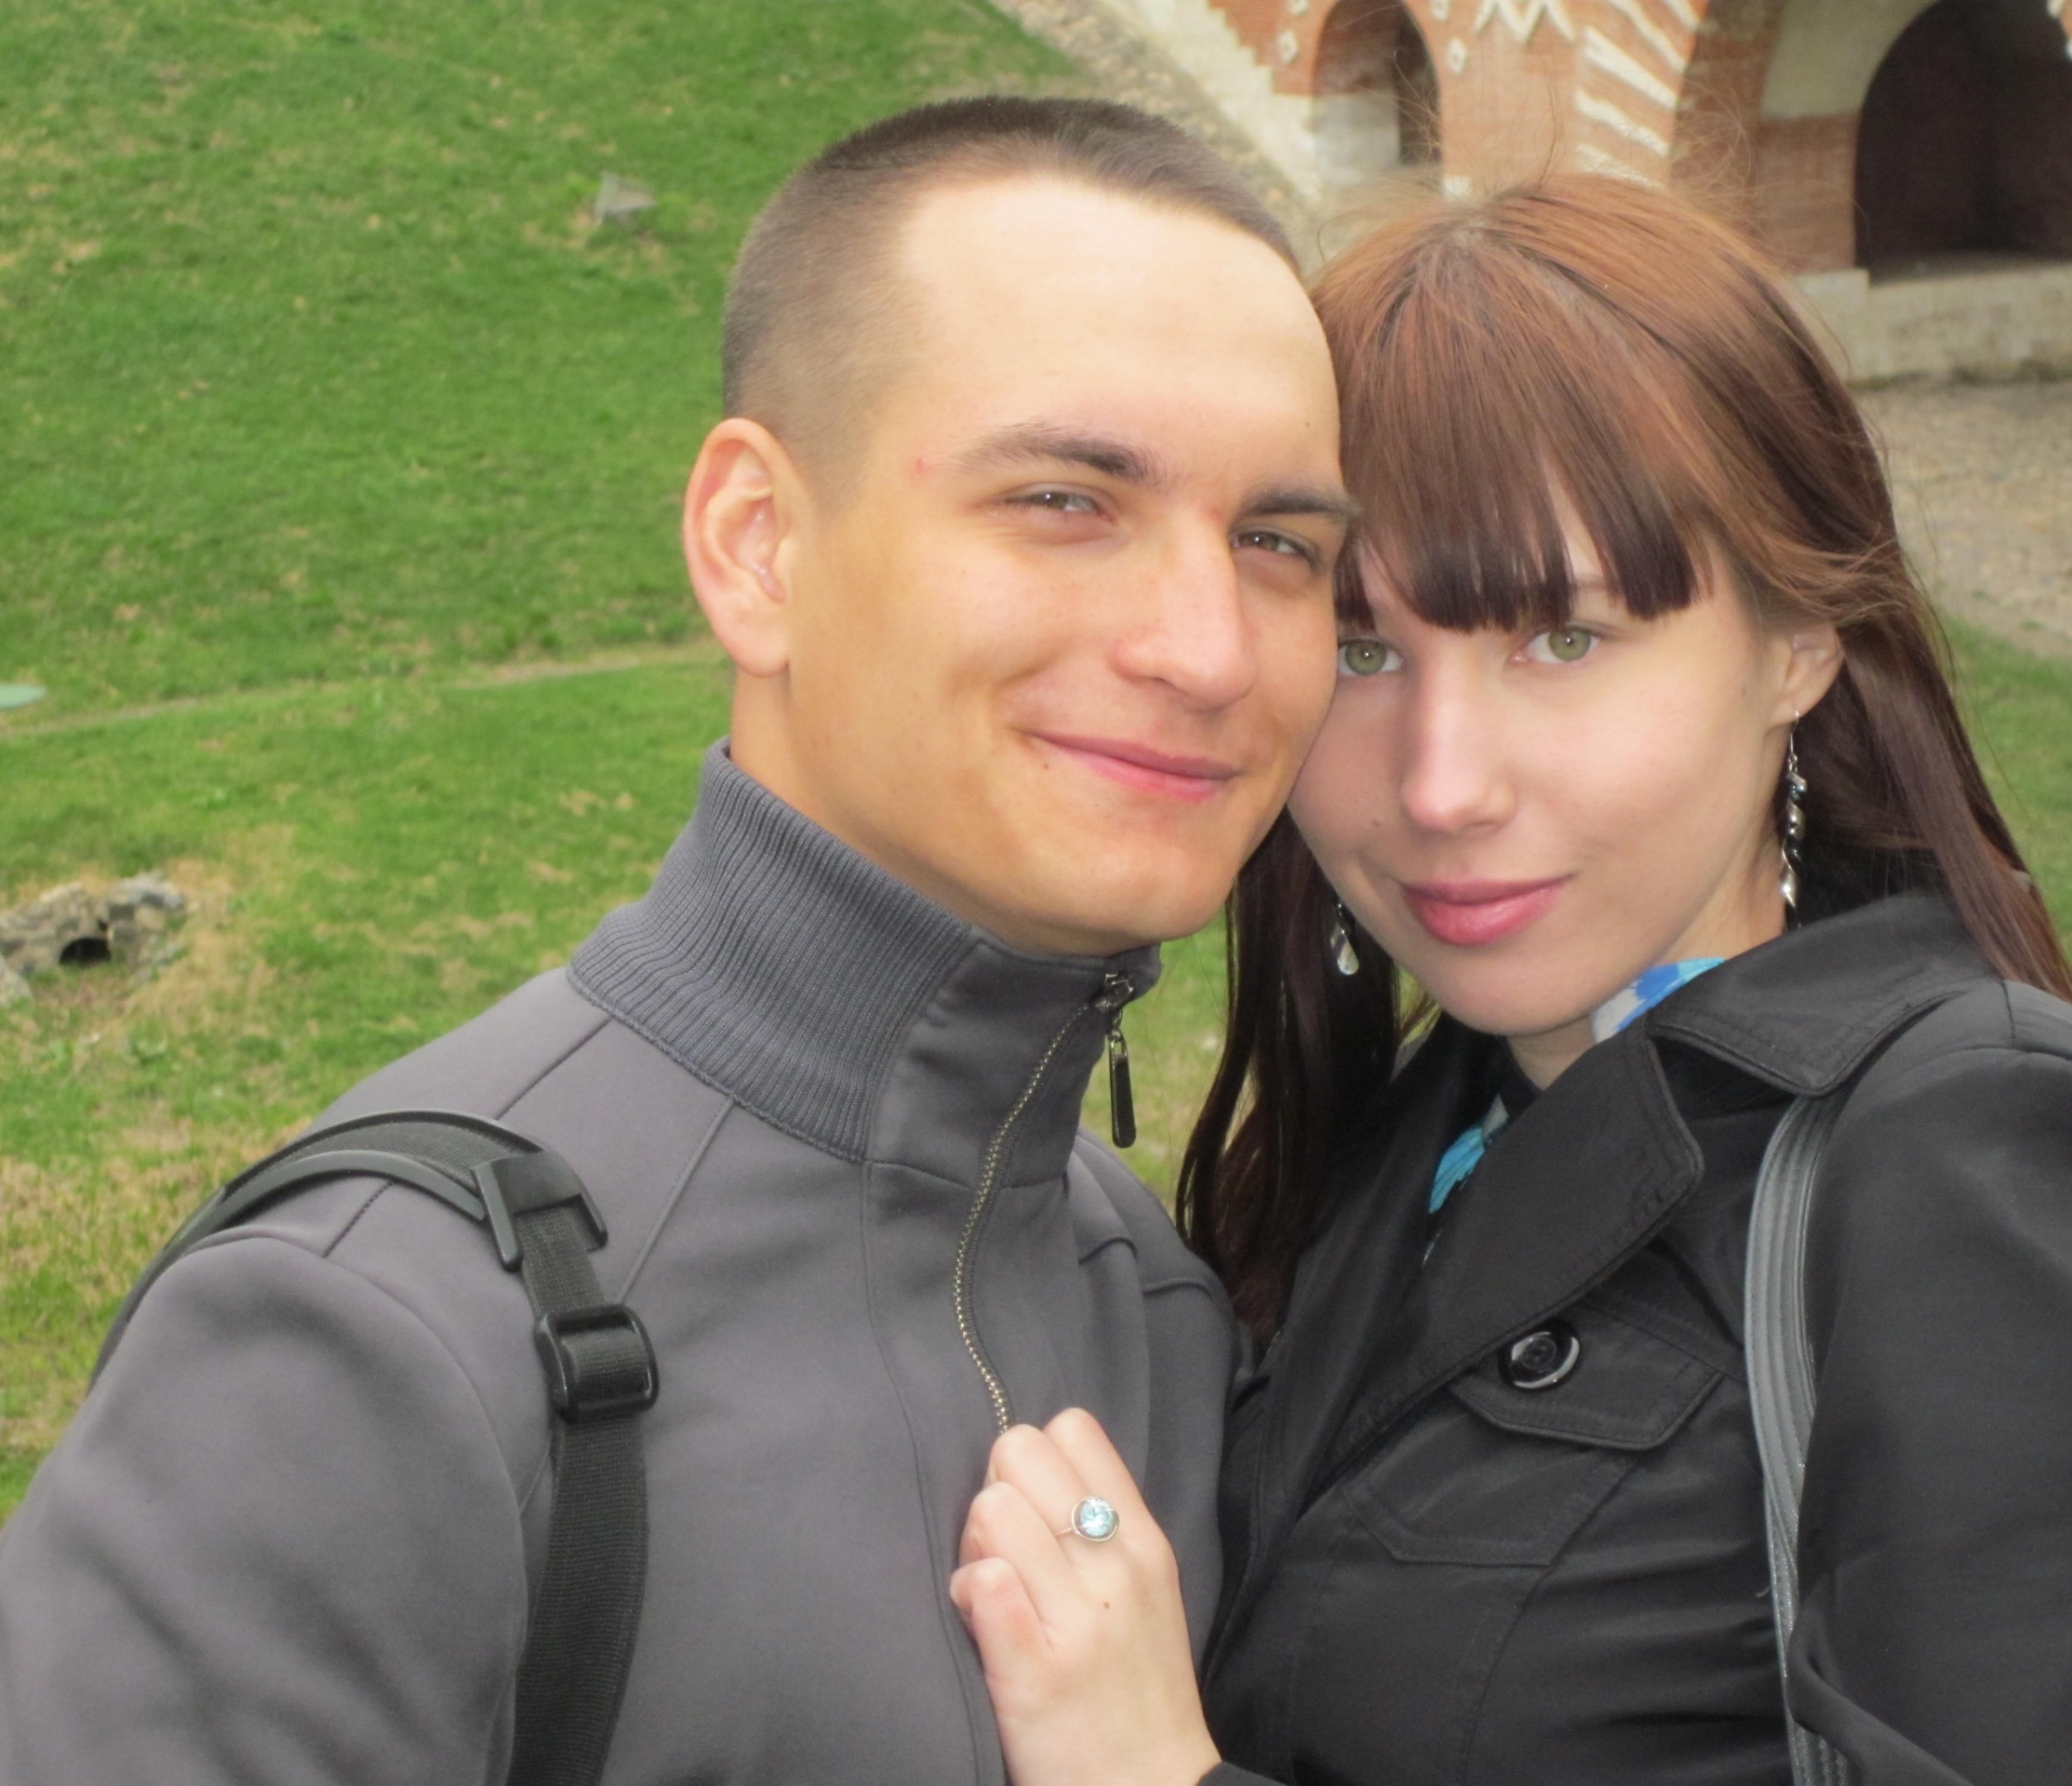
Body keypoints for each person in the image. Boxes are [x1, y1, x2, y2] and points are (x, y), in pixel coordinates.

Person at [0, 98, 1357, 1784]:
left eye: (1279, 544)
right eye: (1067, 501)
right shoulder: (371, 1345)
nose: (1210, 649)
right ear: (755, 545)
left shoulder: (1148, 1302)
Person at [947, 174, 2072, 1786]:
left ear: (1798, 641)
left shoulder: (1969, 1159)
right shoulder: (1408, 1137)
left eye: (1562, 641)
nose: (1442, 785)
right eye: (1364, 651)